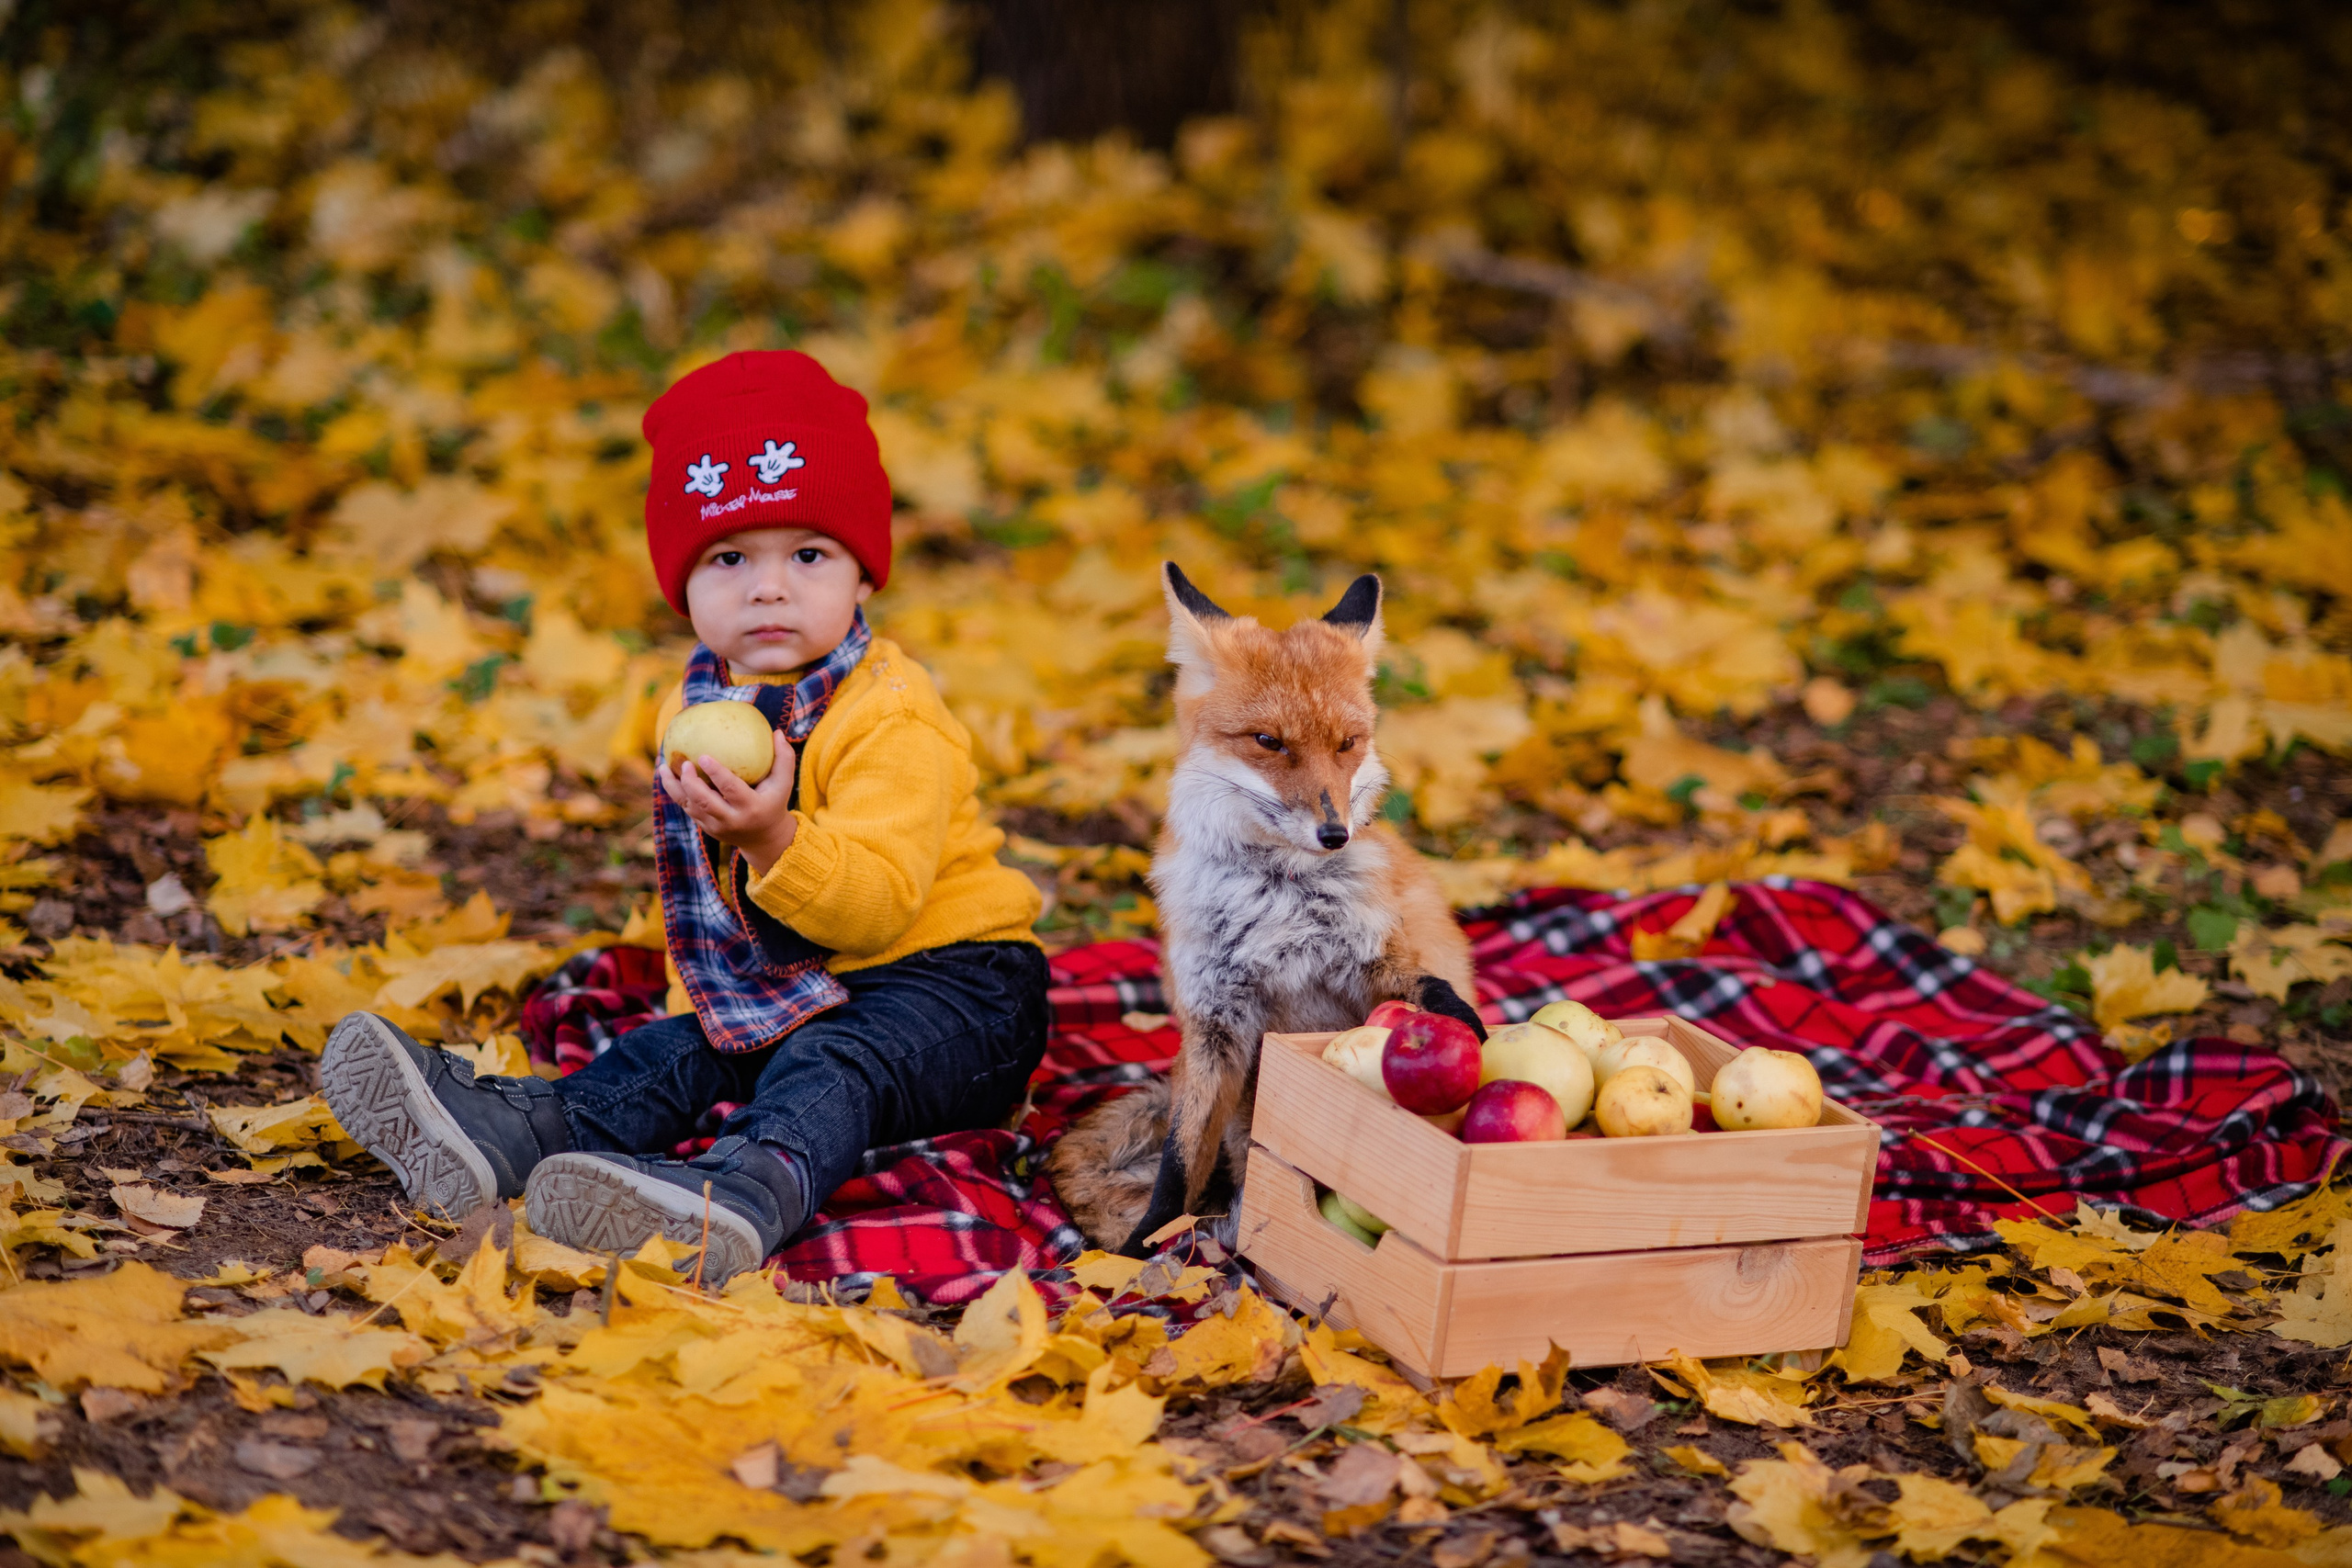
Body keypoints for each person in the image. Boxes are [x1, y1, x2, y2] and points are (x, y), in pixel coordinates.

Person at [319, 351, 1047, 1283]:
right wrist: (703, 1020)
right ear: (685, 585)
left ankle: (741, 1195)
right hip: (798, 980)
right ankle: (520, 1133)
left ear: (865, 576)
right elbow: (711, 908)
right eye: (730, 557)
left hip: (956, 996)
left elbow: (878, 906)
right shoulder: (696, 706)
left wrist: (773, 838)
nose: (769, 587)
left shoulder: (889, 715)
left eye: (809, 555)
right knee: (687, 1045)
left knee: (829, 1059)